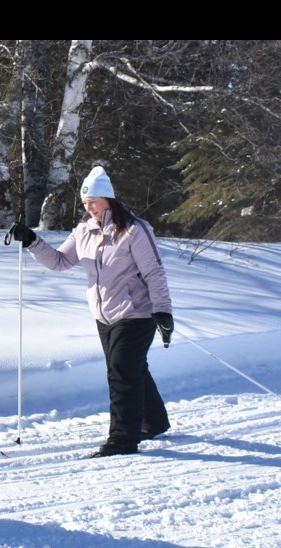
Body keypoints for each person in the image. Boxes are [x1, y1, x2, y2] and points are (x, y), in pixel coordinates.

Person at [9, 166, 175, 458]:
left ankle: (123, 439)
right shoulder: (84, 230)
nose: (89, 207)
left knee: (121, 373)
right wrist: (33, 241)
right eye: (85, 202)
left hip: (136, 313)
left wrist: (162, 310)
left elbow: (154, 272)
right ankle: (155, 421)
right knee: (131, 368)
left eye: (94, 201)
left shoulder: (134, 230)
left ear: (109, 199)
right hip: (104, 316)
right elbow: (60, 262)